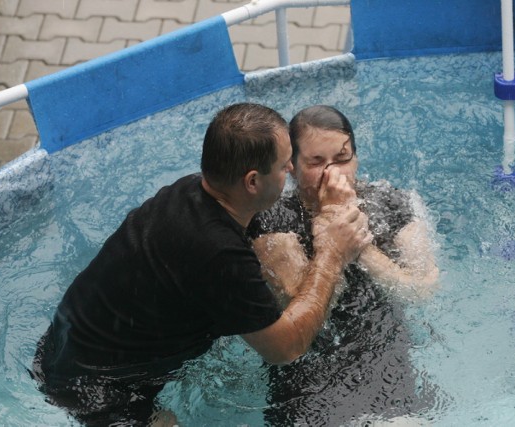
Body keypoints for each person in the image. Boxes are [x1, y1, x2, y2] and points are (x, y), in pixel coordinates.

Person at [31, 103, 372, 426]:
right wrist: (331, 252)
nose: (291, 172)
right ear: (252, 182)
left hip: (65, 342)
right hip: (93, 388)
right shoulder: (218, 253)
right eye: (285, 166)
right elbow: (286, 348)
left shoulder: (195, 191)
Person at [247, 105, 444, 425]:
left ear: (356, 158)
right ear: (291, 168)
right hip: (310, 378)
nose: (334, 173)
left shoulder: (392, 203)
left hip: (384, 358)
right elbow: (302, 316)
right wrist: (331, 235)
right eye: (316, 162)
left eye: (342, 158)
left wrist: (360, 244)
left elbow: (423, 290)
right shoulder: (272, 220)